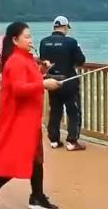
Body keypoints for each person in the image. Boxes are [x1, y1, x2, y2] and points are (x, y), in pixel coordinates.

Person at [0, 22, 61, 209]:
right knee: (18, 158)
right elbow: (18, 89)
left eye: (30, 36)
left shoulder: (25, 59)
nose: (30, 40)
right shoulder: (15, 61)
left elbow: (28, 80)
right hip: (19, 120)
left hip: (29, 118)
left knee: (35, 158)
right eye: (27, 37)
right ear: (15, 40)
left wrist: (42, 72)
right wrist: (44, 84)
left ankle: (37, 197)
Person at [39, 16, 86, 150]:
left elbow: (43, 60)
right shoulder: (71, 42)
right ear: (65, 27)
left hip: (51, 80)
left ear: (54, 27)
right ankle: (72, 141)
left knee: (55, 110)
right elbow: (80, 60)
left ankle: (54, 139)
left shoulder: (44, 42)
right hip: (69, 81)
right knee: (73, 111)